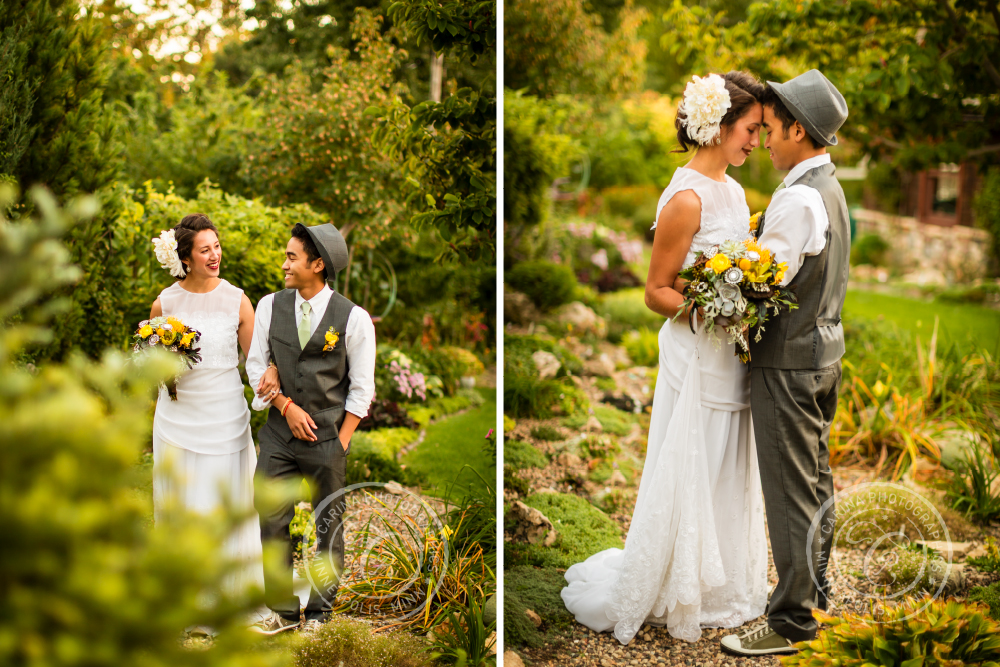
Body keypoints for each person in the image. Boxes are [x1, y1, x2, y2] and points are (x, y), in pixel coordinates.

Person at [561, 71, 769, 645]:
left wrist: (748, 299)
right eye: (751, 130)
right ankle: (678, 585)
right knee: (692, 461)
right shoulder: (684, 198)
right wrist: (710, 311)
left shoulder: (733, 189)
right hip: (697, 351)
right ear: (721, 126)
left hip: (733, 353)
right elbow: (656, 290)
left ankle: (721, 584)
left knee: (728, 459)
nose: (757, 140)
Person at [721, 69, 850, 657]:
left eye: (771, 129)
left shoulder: (797, 199)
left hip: (789, 366)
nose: (764, 140)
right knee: (815, 480)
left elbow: (761, 282)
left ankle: (792, 621)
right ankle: (815, 595)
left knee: (789, 492)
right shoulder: (828, 187)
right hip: (823, 357)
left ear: (799, 129)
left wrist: (720, 276)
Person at [245, 222, 376, 635]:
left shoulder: (353, 319)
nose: (284, 264)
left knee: (328, 526)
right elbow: (255, 365)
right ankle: (282, 610)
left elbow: (362, 387)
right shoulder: (270, 306)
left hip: (328, 437)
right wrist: (284, 405)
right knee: (270, 516)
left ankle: (319, 614)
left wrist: (340, 440)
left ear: (317, 265)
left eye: (291, 257)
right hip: (279, 436)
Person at [150, 213, 264, 599]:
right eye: (205, 250)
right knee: (184, 504)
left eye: (216, 246)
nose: (214, 255)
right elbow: (152, 364)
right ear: (185, 259)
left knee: (222, 505)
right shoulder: (165, 303)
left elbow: (257, 363)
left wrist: (277, 386)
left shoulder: (237, 299)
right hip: (177, 417)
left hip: (226, 417)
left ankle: (228, 598)